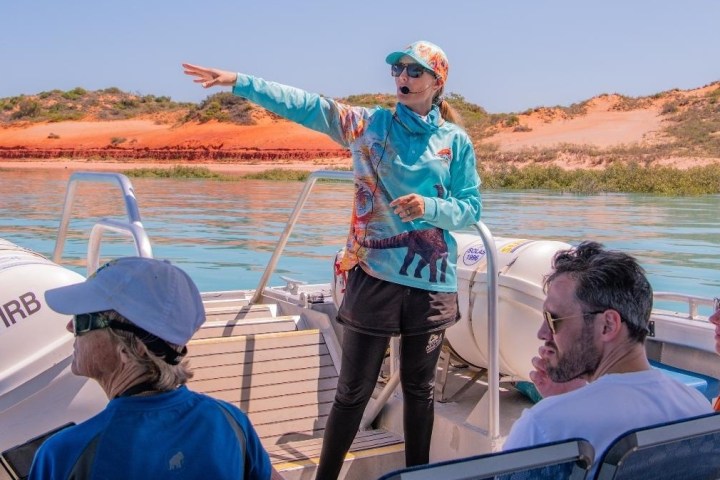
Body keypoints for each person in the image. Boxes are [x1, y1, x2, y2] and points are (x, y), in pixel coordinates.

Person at [183, 39, 482, 479]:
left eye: (414, 71)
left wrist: (431, 208)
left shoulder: (455, 141)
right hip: (372, 272)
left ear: (437, 81)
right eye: (398, 69)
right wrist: (238, 82)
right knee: (352, 392)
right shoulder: (366, 125)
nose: (402, 77)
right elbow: (306, 105)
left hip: (431, 281)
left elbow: (471, 207)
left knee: (420, 392)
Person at [29, 257, 277, 480]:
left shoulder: (64, 454)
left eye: (83, 320)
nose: (70, 329)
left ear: (130, 349)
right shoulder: (229, 423)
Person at [503, 241, 712, 475]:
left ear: (608, 325)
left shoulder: (545, 427)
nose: (542, 333)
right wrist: (573, 397)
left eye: (554, 320)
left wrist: (560, 406)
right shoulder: (697, 407)